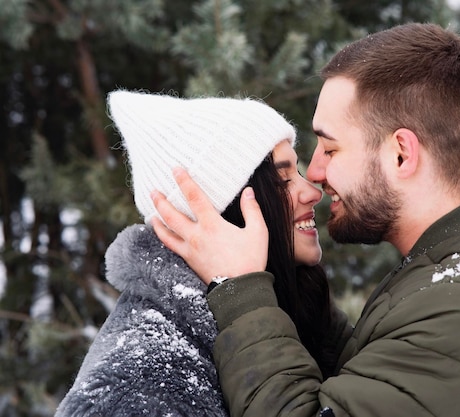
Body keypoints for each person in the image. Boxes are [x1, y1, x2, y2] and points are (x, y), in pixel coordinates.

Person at [151, 22, 460, 417]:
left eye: (331, 148)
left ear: (401, 153)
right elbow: (387, 381)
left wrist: (240, 290)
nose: (316, 175)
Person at [55, 91, 350, 416]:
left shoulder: (298, 303)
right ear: (219, 214)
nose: (312, 192)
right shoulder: (141, 376)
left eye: (298, 171)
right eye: (283, 179)